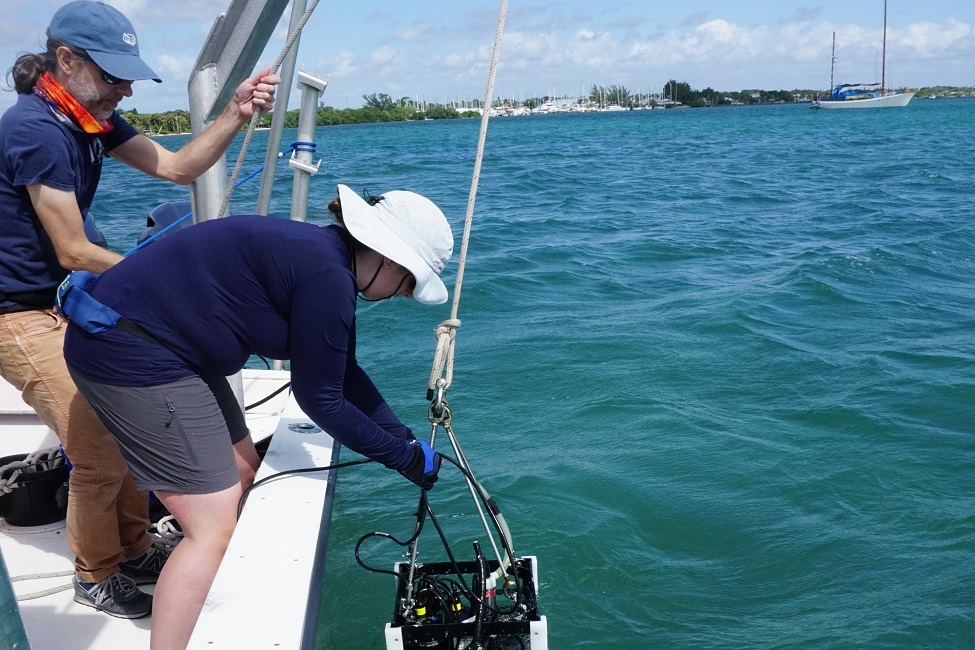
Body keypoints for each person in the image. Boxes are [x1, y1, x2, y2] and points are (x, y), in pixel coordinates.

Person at [62, 184, 450, 649]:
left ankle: (212, 595)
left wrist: (403, 439)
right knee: (212, 528)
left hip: (172, 352)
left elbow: (342, 370)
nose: (405, 294)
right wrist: (402, 459)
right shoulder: (328, 275)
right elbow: (320, 399)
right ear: (387, 256)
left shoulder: (323, 256)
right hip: (131, 352)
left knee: (244, 472)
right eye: (409, 281)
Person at [0, 0, 279, 619]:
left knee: (125, 403)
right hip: (13, 314)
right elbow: (73, 250)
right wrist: (168, 277)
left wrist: (235, 113)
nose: (124, 89)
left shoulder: (86, 117)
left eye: (129, 75)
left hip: (60, 301)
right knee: (97, 435)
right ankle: (94, 573)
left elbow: (178, 168)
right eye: (112, 74)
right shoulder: (37, 131)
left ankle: (132, 547)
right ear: (66, 62)